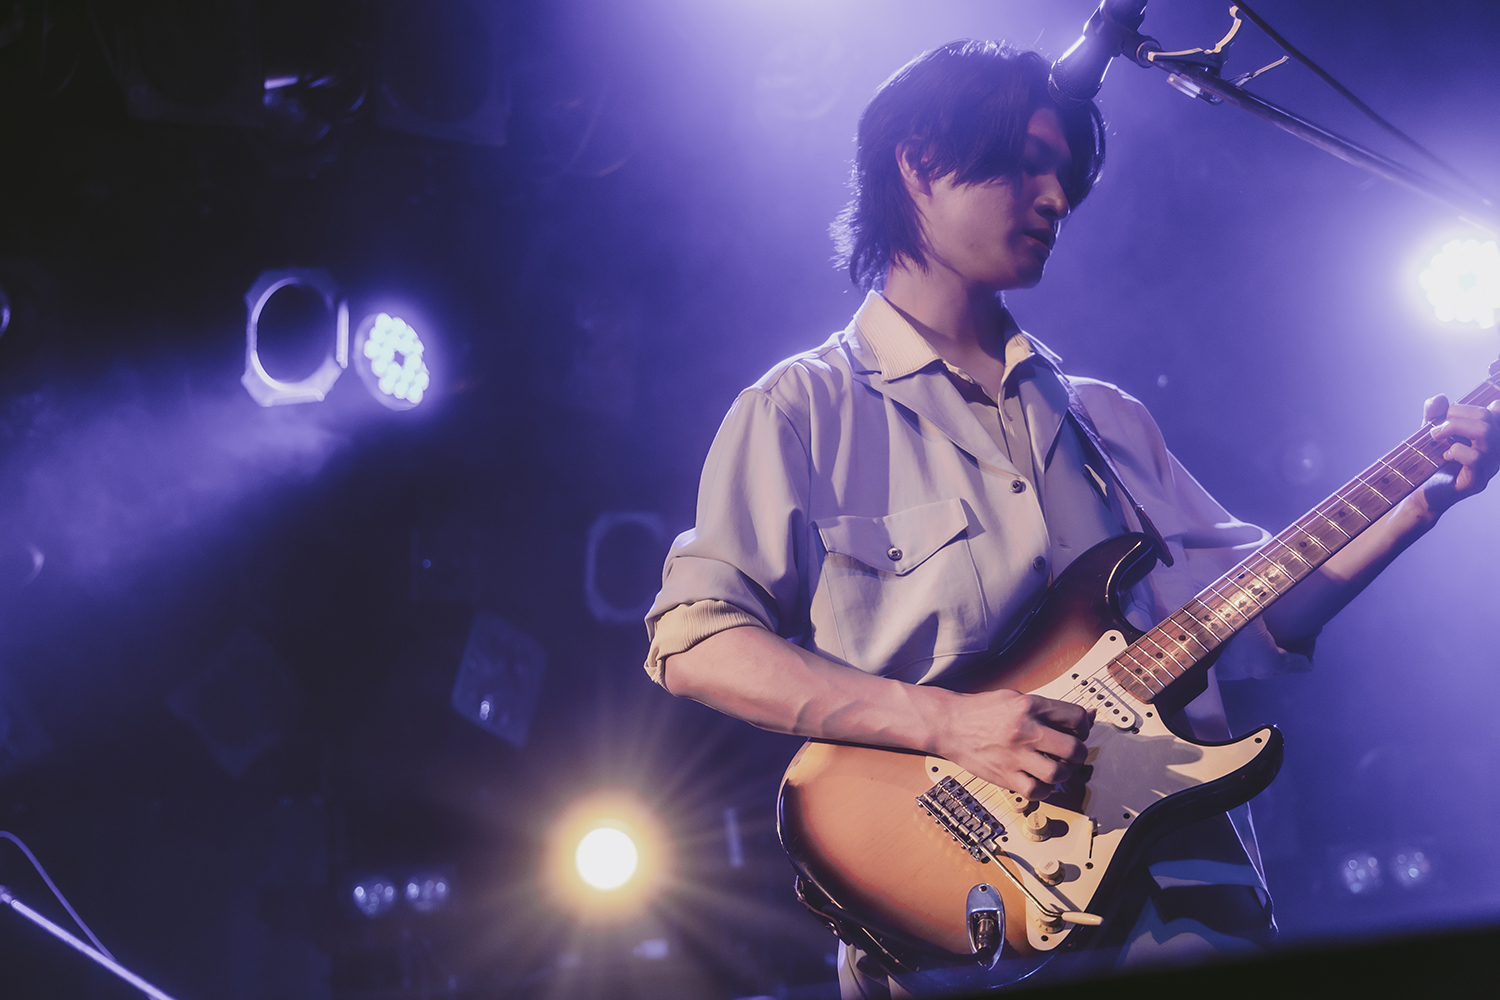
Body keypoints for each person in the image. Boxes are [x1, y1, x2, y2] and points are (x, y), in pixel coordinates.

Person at [642, 40, 1498, 997]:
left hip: (1186, 900)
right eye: (1025, 165)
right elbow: (696, 642)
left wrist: (1426, 496)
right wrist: (949, 724)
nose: (1055, 199)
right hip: (961, 916)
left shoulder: (1106, 417)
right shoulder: (803, 410)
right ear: (918, 162)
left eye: (1065, 175)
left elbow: (1253, 616)